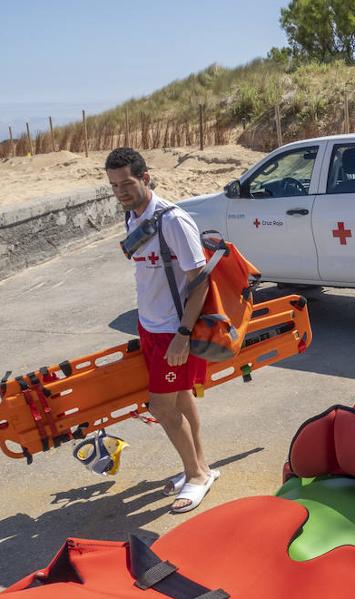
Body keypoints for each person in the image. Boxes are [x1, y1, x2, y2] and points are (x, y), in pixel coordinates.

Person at [105, 147, 218, 513]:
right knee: (181, 398)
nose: (121, 191)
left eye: (127, 183)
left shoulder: (173, 221)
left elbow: (199, 281)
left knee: (161, 406)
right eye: (114, 186)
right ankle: (200, 467)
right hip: (150, 326)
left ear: (145, 178)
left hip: (174, 330)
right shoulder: (132, 217)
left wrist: (183, 335)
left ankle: (196, 476)